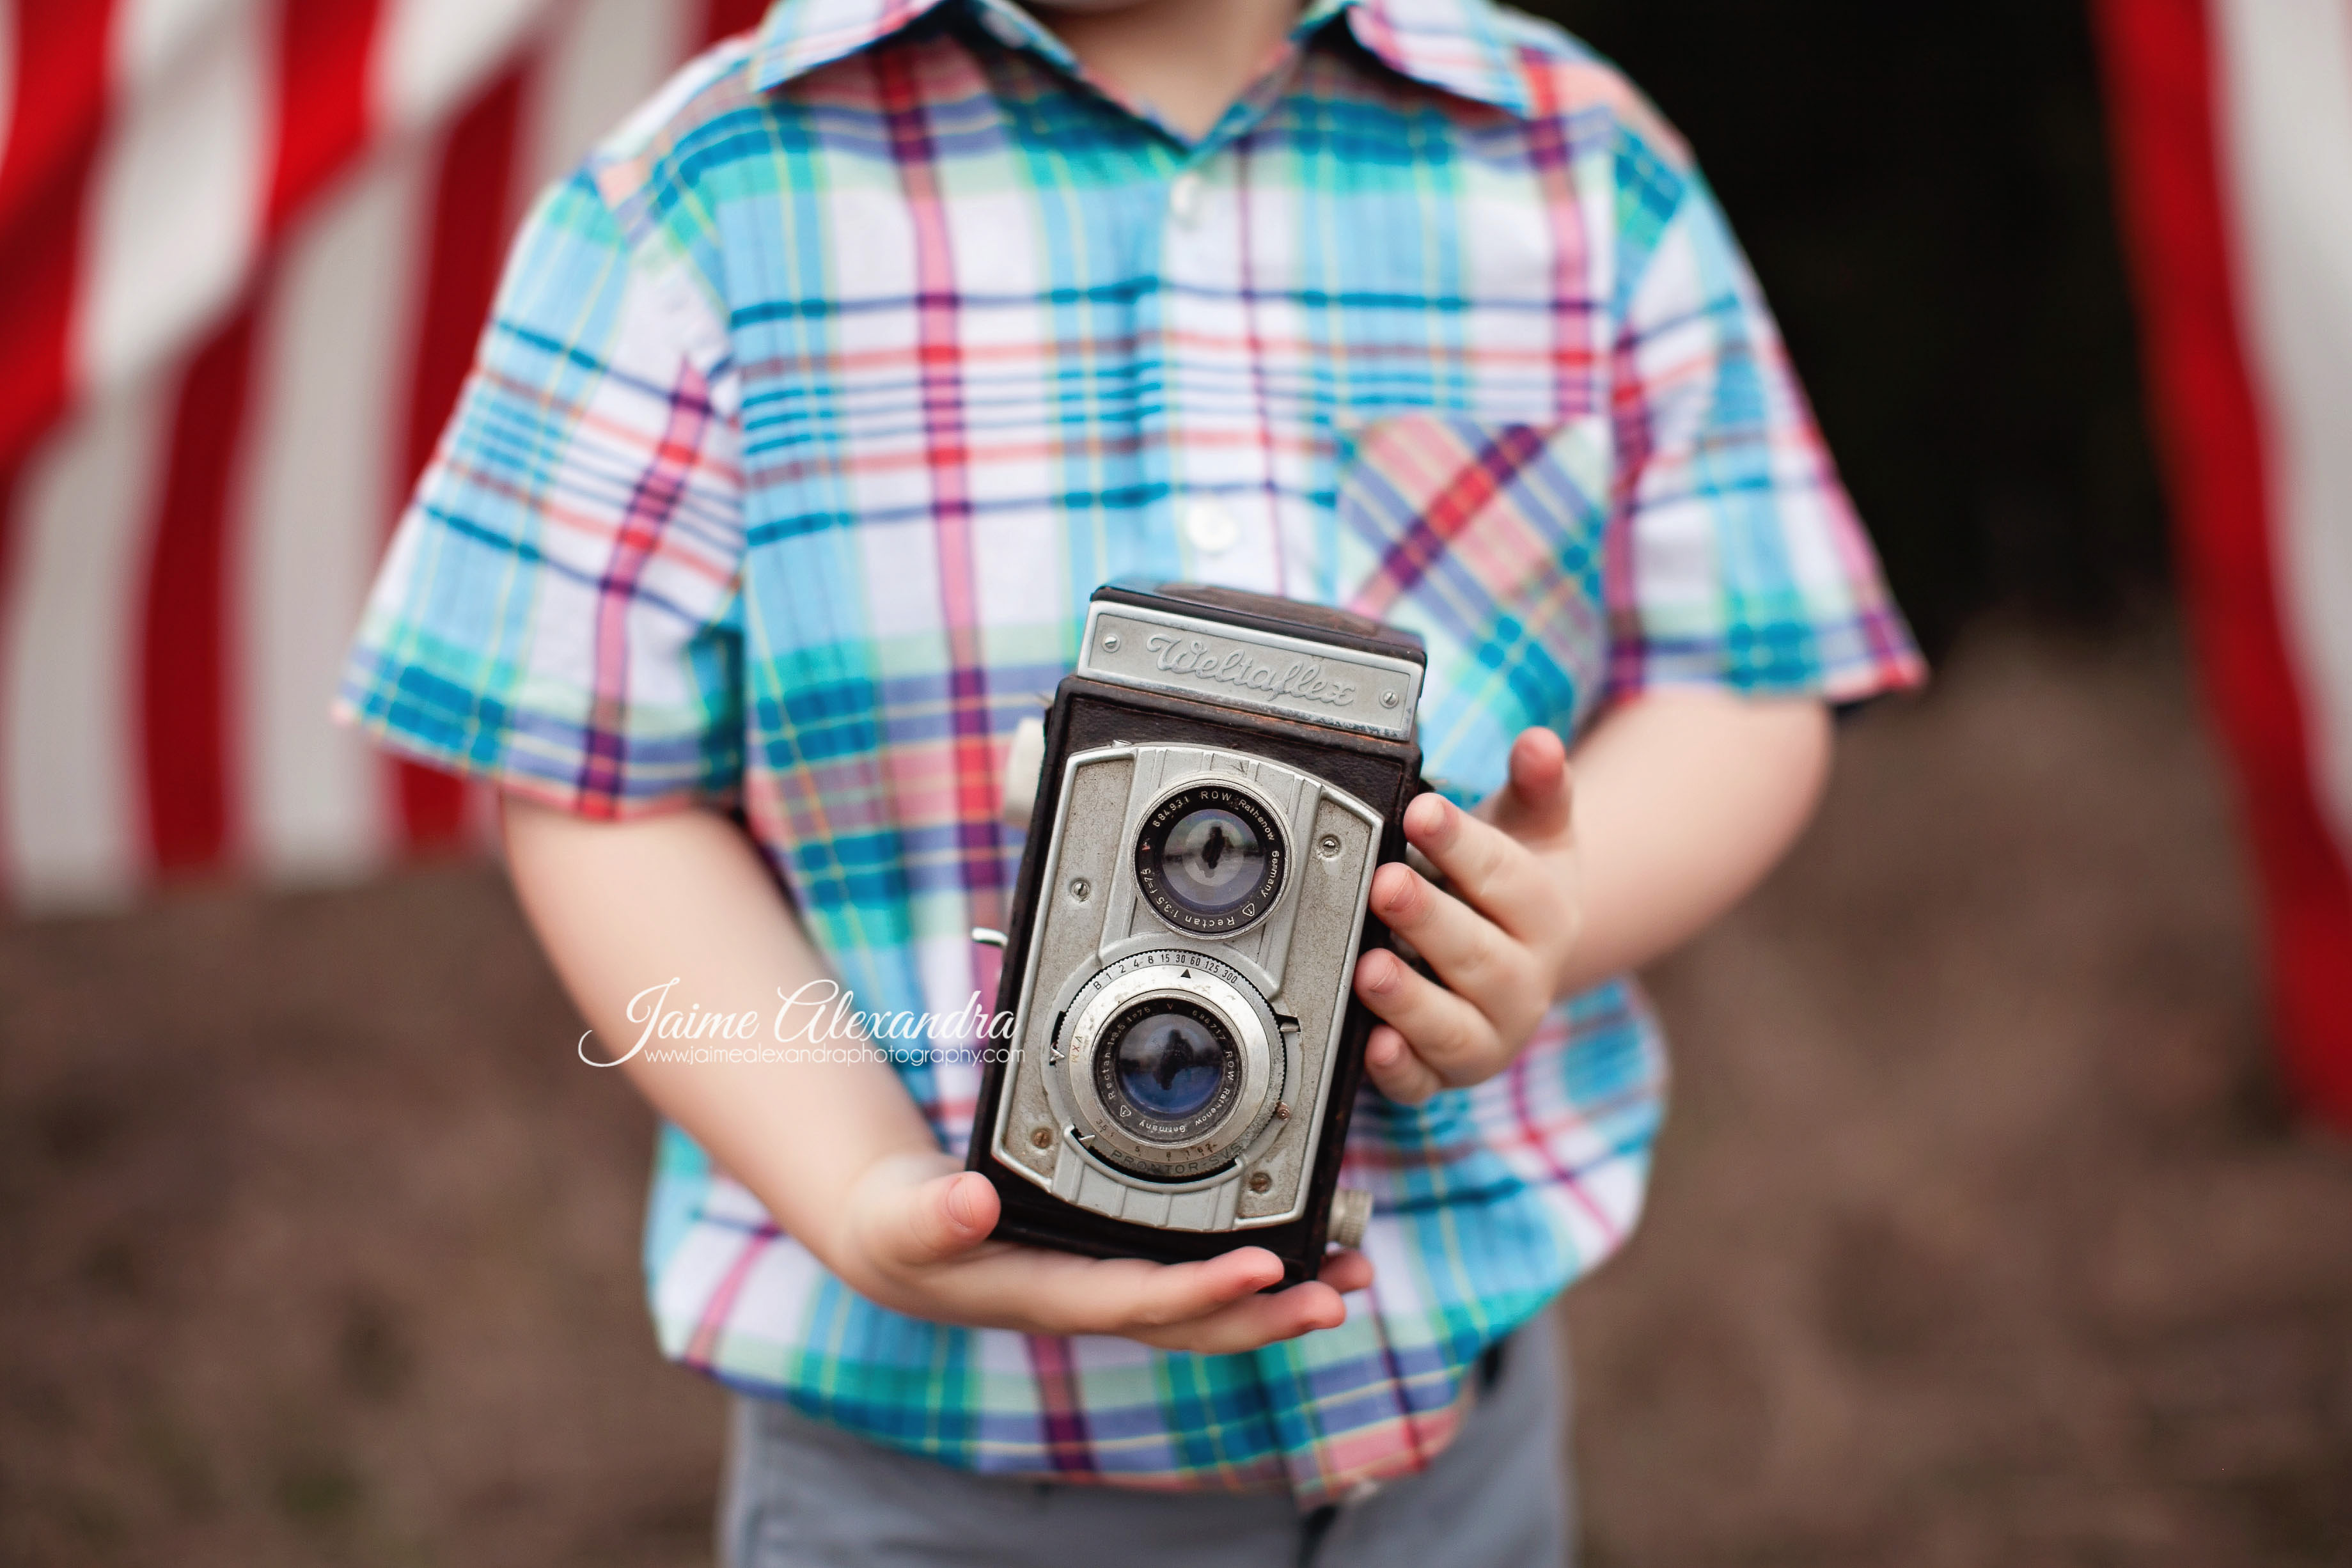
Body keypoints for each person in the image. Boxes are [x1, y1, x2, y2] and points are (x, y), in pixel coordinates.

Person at [334, 0, 1924, 1561]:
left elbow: (1747, 671)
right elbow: (602, 780)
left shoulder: (1574, 157)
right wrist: (860, 1187)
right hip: (931, 1478)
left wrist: (1546, 919)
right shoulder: (691, 204)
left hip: (1451, 1446)